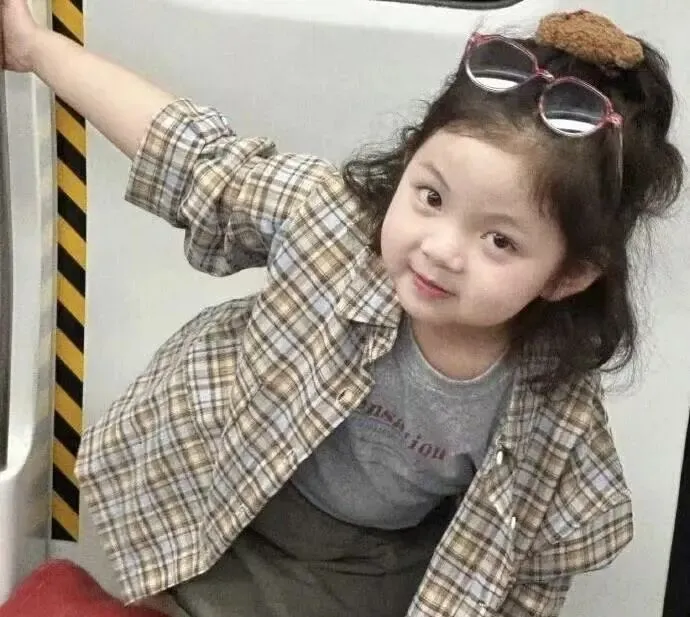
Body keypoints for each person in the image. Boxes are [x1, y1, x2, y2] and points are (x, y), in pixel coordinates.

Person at [2, 2, 684, 616]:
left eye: (499, 240)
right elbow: (191, 154)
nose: (440, 249)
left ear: (567, 275)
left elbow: (539, 559)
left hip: (366, 564)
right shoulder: (333, 225)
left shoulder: (551, 408)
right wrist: (34, 47)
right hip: (218, 488)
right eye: (431, 197)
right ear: (408, 160)